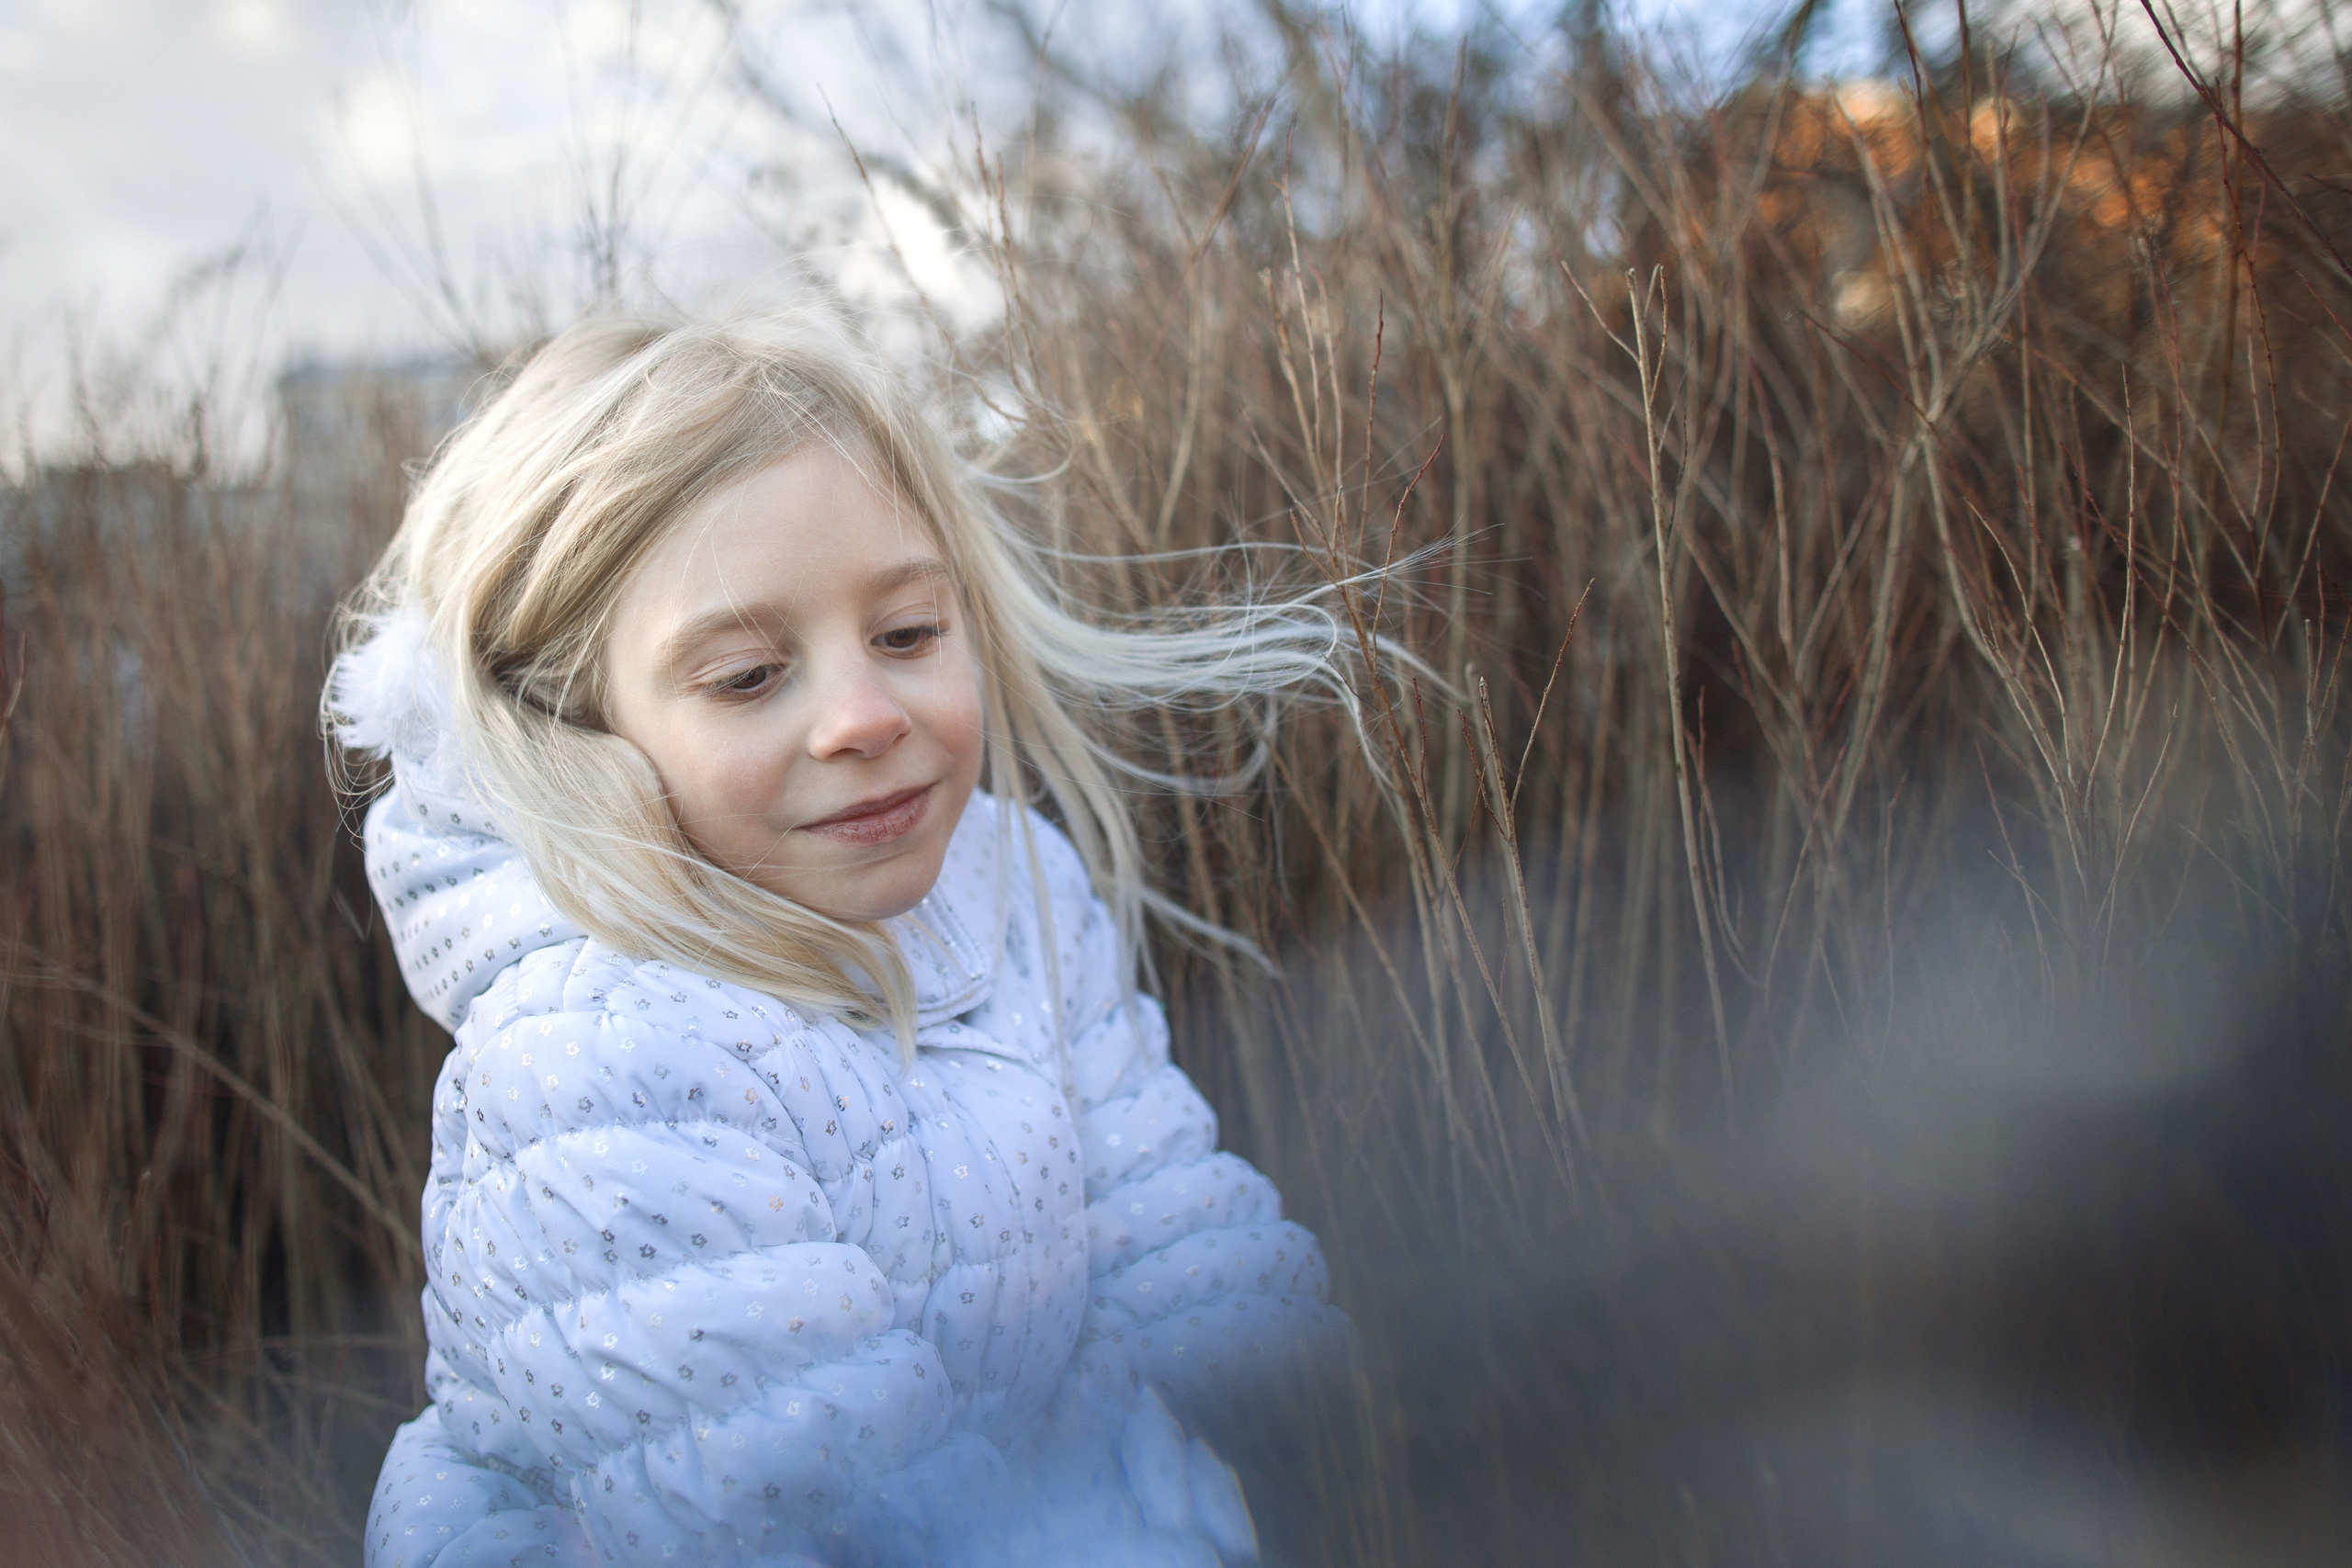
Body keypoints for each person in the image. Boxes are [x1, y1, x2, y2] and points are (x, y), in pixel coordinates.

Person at [326, 312, 1365, 1567]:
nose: (866, 716)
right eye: (752, 676)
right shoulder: (592, 1061)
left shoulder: (1005, 881)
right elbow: (829, 1508)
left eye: (909, 634)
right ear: (574, 725)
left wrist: (1324, 1454)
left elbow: (1163, 1212)